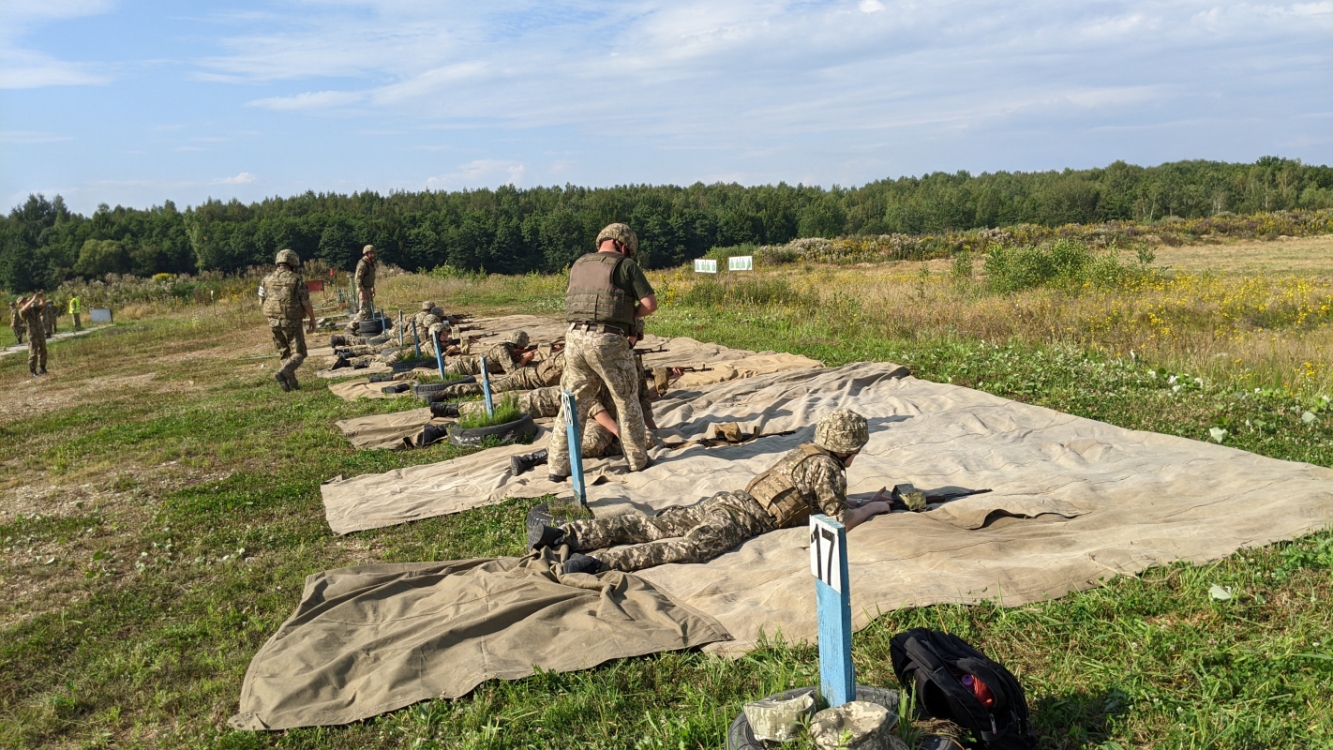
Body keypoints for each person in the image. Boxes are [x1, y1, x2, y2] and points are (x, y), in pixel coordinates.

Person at [530, 410, 897, 574]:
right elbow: (840, 521)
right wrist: (872, 511)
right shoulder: (830, 468)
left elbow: (820, 496)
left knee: (652, 525)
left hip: (727, 500)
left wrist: (865, 499)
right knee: (686, 547)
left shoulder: (807, 453)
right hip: (743, 519)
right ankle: (598, 563)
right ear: (851, 451)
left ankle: (566, 534)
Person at [546, 223, 658, 481]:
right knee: (627, 401)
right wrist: (628, 316)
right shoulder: (626, 266)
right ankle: (637, 460)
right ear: (623, 244)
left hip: (573, 339)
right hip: (608, 340)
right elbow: (649, 305)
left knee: (572, 406)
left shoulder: (579, 264)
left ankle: (557, 467)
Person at [259, 249, 316, 392]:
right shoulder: (296, 279)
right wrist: (312, 318)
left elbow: (261, 300)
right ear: (292, 262)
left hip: (273, 320)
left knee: (284, 352)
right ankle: (283, 373)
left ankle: (292, 383)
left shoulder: (266, 279)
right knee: (299, 353)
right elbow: (305, 301)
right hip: (291, 319)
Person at [18, 293, 48, 376]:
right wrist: (32, 300)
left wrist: (42, 299)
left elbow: (42, 306)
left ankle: (43, 368)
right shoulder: (22, 312)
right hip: (32, 334)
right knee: (33, 353)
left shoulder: (33, 309)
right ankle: (33, 371)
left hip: (40, 332)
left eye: (25, 300)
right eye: (22, 302)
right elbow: (25, 307)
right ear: (20, 305)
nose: (25, 302)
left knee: (43, 350)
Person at [349, 244, 377, 331]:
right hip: (363, 289)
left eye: (373, 253)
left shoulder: (370, 263)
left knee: (369, 312)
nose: (373, 255)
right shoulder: (363, 264)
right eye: (371, 253)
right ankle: (351, 327)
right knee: (364, 311)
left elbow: (370, 277)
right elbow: (358, 279)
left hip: (368, 288)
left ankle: (365, 330)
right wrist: (362, 291)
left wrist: (372, 288)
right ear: (366, 253)